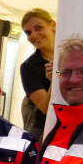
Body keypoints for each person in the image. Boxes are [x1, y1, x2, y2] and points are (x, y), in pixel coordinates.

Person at [19, 8, 56, 141]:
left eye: (39, 28)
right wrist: (55, 80)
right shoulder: (29, 67)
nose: (33, 35)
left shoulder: (71, 55)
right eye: (28, 32)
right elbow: (46, 109)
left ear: (53, 25)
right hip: (45, 132)